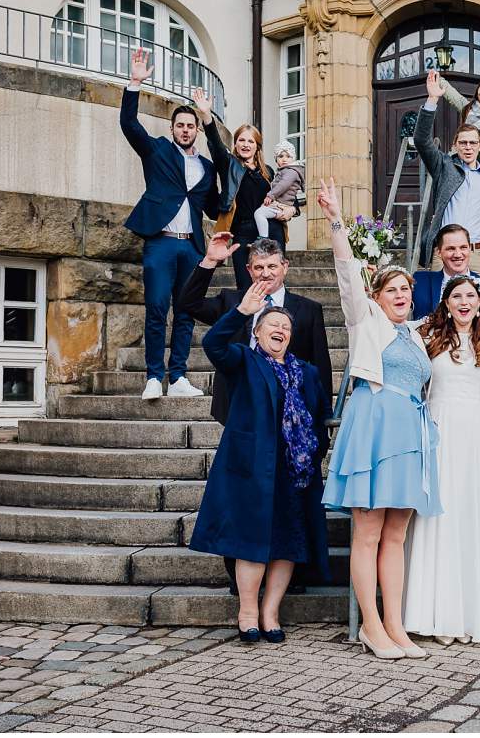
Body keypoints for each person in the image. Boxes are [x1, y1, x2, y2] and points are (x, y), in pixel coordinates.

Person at [316, 177, 438, 661]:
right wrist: (336, 221)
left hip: (410, 432)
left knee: (396, 535)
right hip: (374, 426)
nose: (403, 293)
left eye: (407, 288)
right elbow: (346, 270)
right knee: (367, 534)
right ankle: (370, 625)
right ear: (378, 294)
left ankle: (395, 625)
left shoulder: (417, 332)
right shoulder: (364, 320)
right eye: (394, 288)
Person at [190, 279, 332, 643]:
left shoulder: (307, 372)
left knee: (287, 543)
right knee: (252, 541)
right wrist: (240, 311)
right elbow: (212, 344)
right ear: (257, 332)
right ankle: (248, 612)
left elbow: (318, 415)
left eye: (286, 327)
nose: (281, 331)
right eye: (273, 325)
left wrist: (313, 453)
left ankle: (271, 612)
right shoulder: (245, 360)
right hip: (253, 468)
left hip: (294, 472)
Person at [403, 274, 480, 644]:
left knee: (475, 514)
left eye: (471, 296)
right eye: (457, 296)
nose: (464, 302)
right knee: (441, 516)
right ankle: (439, 614)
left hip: (477, 432)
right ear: (446, 301)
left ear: (478, 301)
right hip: (439, 429)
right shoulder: (425, 334)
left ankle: (474, 612)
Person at [119, 48, 220, 402]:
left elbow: (216, 206)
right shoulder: (158, 150)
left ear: (196, 130)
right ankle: (153, 376)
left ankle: (178, 377)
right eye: (181, 125)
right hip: (161, 243)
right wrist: (134, 83)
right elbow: (130, 126)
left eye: (191, 126)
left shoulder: (207, 167)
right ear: (173, 128)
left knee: (187, 311)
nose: (186, 130)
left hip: (191, 246)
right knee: (158, 307)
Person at [178, 235, 333, 424]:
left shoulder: (309, 309)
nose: (265, 273)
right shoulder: (231, 301)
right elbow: (188, 304)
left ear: (285, 267)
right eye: (259, 267)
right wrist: (210, 261)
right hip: (238, 403)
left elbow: (321, 365)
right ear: (249, 270)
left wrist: (324, 418)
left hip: (289, 407)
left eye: (272, 266)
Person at [192, 88, 297, 291]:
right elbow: (215, 143)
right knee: (247, 288)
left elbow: (289, 195)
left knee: (273, 287)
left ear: (257, 146)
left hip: (273, 230)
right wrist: (206, 115)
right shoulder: (229, 164)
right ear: (236, 144)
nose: (246, 144)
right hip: (243, 232)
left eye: (251, 141)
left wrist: (292, 210)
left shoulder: (268, 171)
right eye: (241, 140)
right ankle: (249, 323)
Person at [416, 70, 480, 274]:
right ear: (455, 145)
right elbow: (422, 141)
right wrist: (432, 99)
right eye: (463, 143)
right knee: (439, 305)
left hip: (478, 253)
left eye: (472, 143)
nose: (468, 147)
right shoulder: (444, 166)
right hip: (445, 251)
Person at [434, 75, 480, 168]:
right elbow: (452, 94)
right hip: (458, 163)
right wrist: (438, 79)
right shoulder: (468, 110)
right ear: (478, 98)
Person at [254, 141, 307, 240]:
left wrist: (270, 195)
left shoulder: (291, 172)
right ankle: (263, 237)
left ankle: (263, 238)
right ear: (276, 159)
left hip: (281, 205)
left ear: (293, 158)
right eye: (281, 156)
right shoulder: (284, 171)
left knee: (259, 213)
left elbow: (283, 185)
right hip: (279, 205)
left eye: (288, 156)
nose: (284, 159)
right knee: (260, 212)